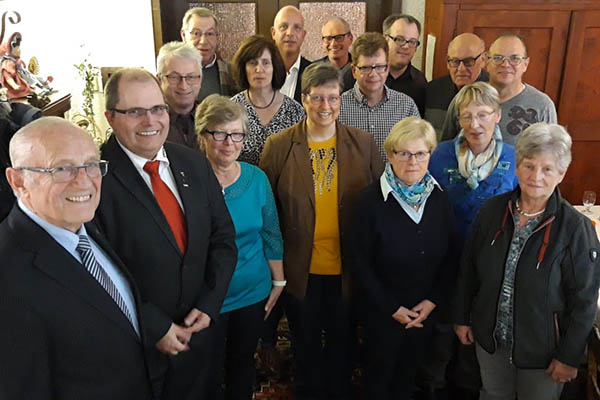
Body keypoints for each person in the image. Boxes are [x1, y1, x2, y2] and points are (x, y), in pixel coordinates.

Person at [96, 68, 237, 400]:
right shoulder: (94, 178)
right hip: (139, 348)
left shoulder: (192, 162)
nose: (151, 121)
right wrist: (155, 326)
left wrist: (210, 302)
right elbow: (98, 272)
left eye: (158, 109)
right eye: (135, 112)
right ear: (111, 117)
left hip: (202, 332)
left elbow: (223, 238)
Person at [0, 117, 152, 399]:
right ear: (18, 181)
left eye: (91, 164)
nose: (84, 181)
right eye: (63, 168)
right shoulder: (7, 277)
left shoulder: (82, 223)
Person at [259, 62, 383, 399]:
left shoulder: (364, 144)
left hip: (348, 267)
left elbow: (378, 205)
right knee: (306, 342)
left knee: (343, 341)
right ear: (303, 99)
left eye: (332, 98)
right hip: (300, 269)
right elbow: (266, 210)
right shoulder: (280, 146)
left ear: (341, 99)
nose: (325, 107)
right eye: (317, 98)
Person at [454, 123, 600, 400]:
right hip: (491, 341)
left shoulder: (576, 228)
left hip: (543, 353)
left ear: (561, 173)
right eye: (529, 166)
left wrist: (569, 357)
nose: (536, 177)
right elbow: (469, 270)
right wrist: (462, 318)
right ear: (517, 166)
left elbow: (584, 300)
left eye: (547, 169)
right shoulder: (493, 210)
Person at [350, 117, 459, 400]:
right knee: (378, 380)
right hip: (382, 313)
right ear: (389, 155)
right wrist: (391, 308)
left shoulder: (439, 198)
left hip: (424, 312)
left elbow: (451, 256)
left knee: (408, 380)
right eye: (404, 153)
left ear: (430, 155)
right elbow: (359, 264)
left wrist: (432, 301)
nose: (413, 161)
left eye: (420, 153)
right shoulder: (369, 202)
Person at [424, 82, 518, 398]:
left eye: (483, 115)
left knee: (474, 333)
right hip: (445, 257)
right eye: (466, 116)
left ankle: (466, 388)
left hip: (490, 264)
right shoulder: (439, 154)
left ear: (498, 115)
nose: (474, 125)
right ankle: (433, 386)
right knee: (439, 331)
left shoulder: (515, 158)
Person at [195, 94, 284, 400]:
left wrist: (278, 282)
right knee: (205, 370)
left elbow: (271, 232)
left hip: (252, 291)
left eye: (236, 134)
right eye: (219, 133)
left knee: (242, 364)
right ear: (202, 137)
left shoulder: (256, 178)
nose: (229, 142)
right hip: (205, 298)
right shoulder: (189, 183)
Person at [442, 34, 557, 145]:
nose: (506, 64)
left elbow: (551, 154)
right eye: (498, 58)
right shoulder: (465, 97)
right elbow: (446, 147)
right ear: (486, 61)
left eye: (515, 58)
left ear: (525, 64)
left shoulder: (542, 105)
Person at [338, 32, 420, 160]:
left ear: (387, 68)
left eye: (379, 67)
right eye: (366, 68)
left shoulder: (406, 107)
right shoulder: (337, 107)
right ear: (354, 71)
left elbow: (418, 151)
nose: (373, 74)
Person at [230, 35, 305, 165]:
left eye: (265, 63)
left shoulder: (295, 111)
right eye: (253, 63)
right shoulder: (231, 109)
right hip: (243, 184)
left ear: (275, 67)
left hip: (285, 184)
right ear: (243, 68)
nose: (259, 69)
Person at [425, 33, 489, 138]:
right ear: (447, 62)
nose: (461, 69)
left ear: (483, 60)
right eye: (455, 61)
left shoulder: (495, 93)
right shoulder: (433, 89)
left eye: (468, 61)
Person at [180, 7, 236, 102]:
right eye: (196, 33)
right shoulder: (173, 73)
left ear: (217, 37)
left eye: (210, 34)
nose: (203, 41)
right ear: (184, 35)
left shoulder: (232, 72)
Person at [157, 41, 203, 150]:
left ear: (200, 79)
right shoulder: (150, 122)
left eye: (191, 77)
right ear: (159, 80)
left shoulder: (214, 119)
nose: (183, 86)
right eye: (174, 77)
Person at [383, 14, 427, 116]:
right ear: (385, 40)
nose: (406, 46)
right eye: (399, 39)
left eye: (412, 41)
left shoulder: (420, 83)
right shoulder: (364, 74)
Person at [271, 6, 312, 103]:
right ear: (273, 33)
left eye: (297, 28)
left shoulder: (314, 74)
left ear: (303, 35)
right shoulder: (260, 71)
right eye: (283, 27)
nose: (290, 33)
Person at [317, 17, 354, 91]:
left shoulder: (361, 70)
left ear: (350, 39)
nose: (333, 44)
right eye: (328, 38)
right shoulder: (314, 70)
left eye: (339, 37)